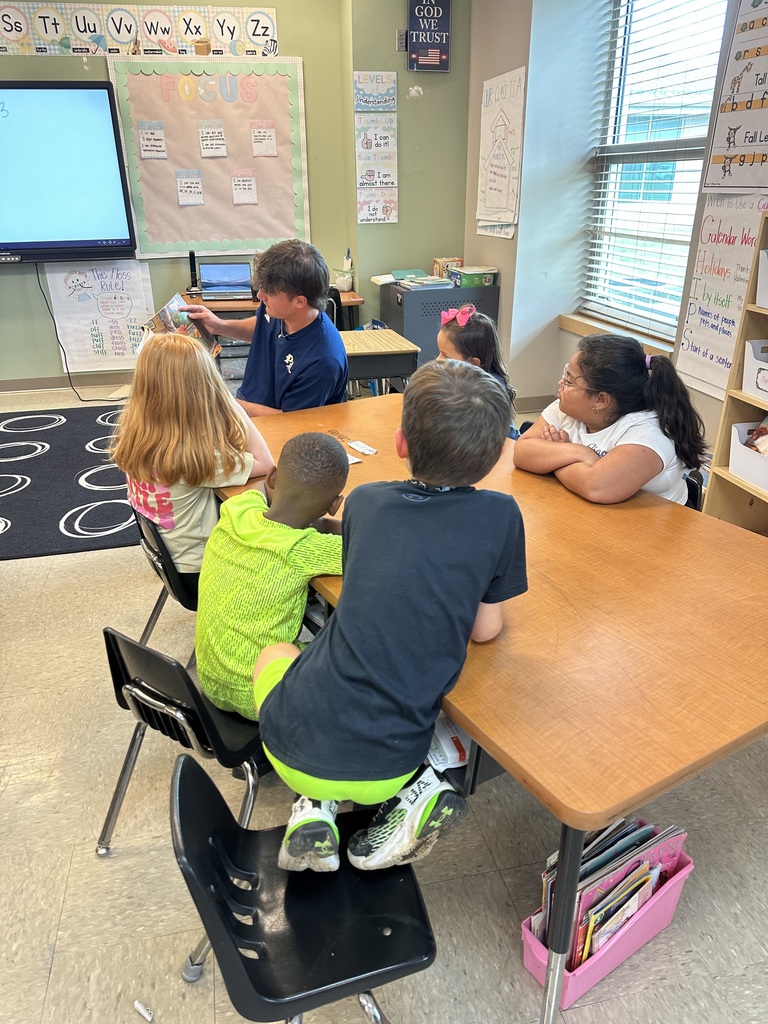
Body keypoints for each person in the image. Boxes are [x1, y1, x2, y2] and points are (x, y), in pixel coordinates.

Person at [252, 359, 528, 873]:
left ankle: (313, 807)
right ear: (495, 458)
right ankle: (416, 794)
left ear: (401, 443)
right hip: (392, 764)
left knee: (279, 654)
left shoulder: (364, 501)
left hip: (288, 740)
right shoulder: (501, 516)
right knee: (440, 709)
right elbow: (485, 631)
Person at [195, 432, 348, 721]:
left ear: (274, 476)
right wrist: (333, 522)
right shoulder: (304, 549)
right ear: (334, 503)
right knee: (353, 654)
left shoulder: (237, 509)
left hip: (209, 682)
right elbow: (378, 547)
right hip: (264, 697)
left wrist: (320, 520)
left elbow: (262, 497)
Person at [111, 332, 274, 592]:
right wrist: (230, 402)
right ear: (203, 390)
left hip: (169, 563)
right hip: (204, 574)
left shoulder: (136, 435)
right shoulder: (196, 457)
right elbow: (265, 463)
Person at [513, 333, 707, 505]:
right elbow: (522, 452)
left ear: (601, 400)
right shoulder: (566, 407)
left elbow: (595, 487)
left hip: (654, 532)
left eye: (570, 381)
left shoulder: (648, 433)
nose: (561, 384)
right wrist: (580, 453)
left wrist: (551, 459)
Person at [183, 239, 348, 417]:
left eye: (268, 292)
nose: (261, 295)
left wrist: (225, 403)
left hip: (282, 433)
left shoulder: (322, 362)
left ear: (299, 301)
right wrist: (220, 326)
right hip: (249, 407)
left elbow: (290, 421)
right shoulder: (279, 310)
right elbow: (263, 327)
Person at [437, 304, 520, 439]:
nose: (438, 360)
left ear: (473, 364)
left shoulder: (491, 392)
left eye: (445, 356)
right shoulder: (458, 378)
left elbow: (505, 438)